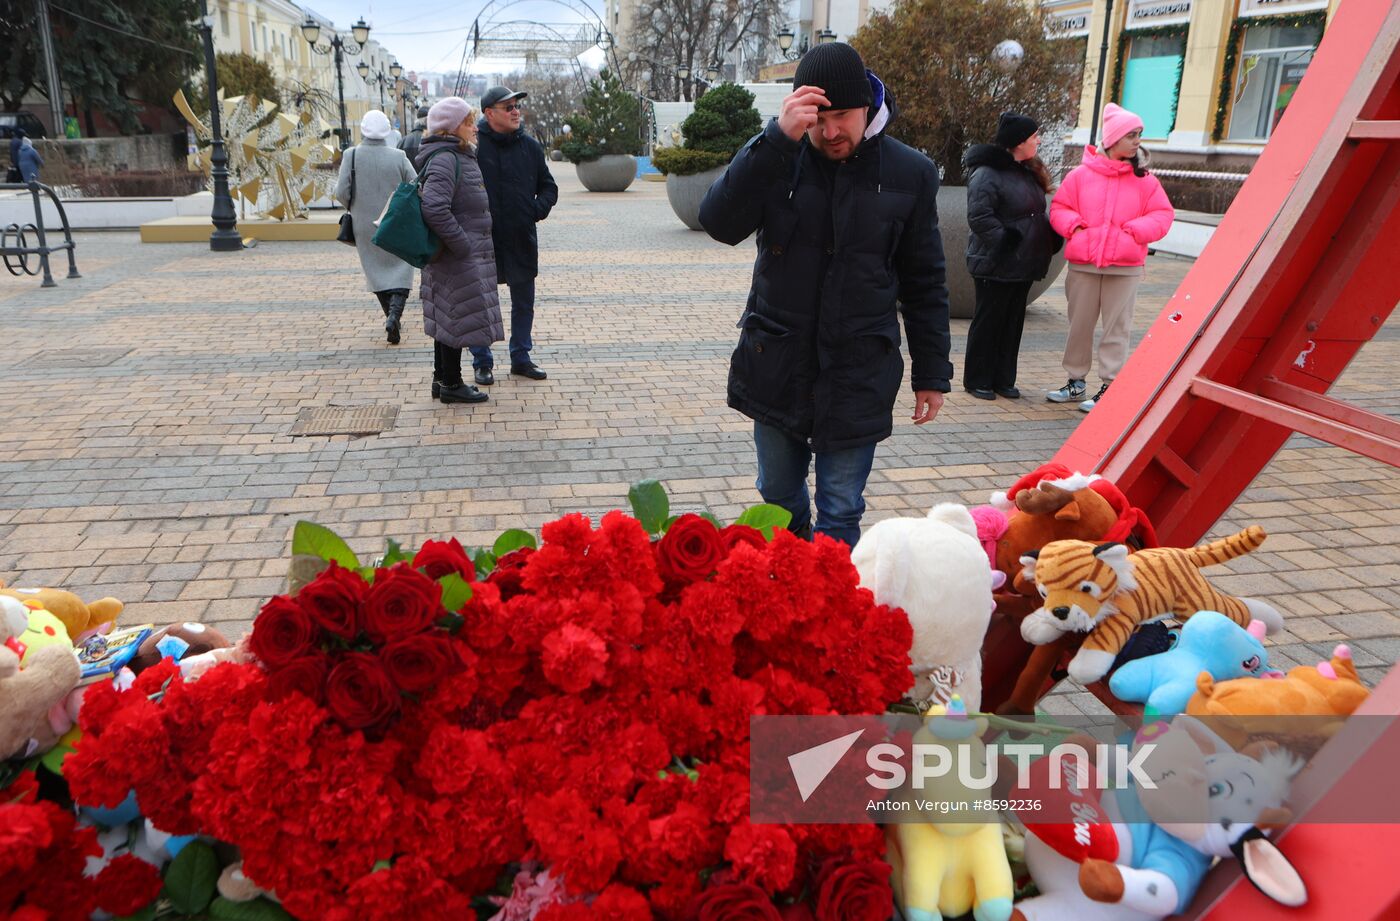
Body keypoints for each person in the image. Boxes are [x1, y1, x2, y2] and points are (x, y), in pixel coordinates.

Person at [699, 42, 952, 549]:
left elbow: (925, 279)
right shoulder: (777, 158)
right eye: (818, 118)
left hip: (858, 366)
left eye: (842, 116)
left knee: (840, 505)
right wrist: (774, 140)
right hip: (777, 359)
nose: (831, 131)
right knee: (776, 495)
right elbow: (718, 223)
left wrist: (932, 374)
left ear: (868, 107)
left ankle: (827, 607)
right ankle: (789, 576)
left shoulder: (911, 173)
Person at [1048, 103, 1174, 412]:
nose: (1137, 141)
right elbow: (1060, 209)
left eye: (1139, 135)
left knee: (1118, 328)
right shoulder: (1079, 176)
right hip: (1084, 265)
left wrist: (1136, 231)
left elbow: (1163, 214)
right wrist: (1074, 227)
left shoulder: (1146, 181)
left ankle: (1109, 386)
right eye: (1131, 135)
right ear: (1112, 139)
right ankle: (1075, 382)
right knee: (1079, 325)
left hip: (1125, 267)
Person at [961, 112, 1061, 400]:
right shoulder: (986, 173)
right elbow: (979, 217)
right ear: (1018, 142)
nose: (1038, 140)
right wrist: (1005, 242)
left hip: (1024, 263)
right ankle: (977, 379)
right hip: (995, 262)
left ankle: (1003, 379)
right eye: (1033, 136)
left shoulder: (1028, 170)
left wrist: (1049, 236)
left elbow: (1033, 212)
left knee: (1012, 323)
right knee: (989, 322)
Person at [469, 85, 558, 385]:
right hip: (483, 240)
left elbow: (549, 187)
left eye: (517, 106)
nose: (516, 111)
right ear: (489, 113)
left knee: (524, 303)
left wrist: (533, 211)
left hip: (520, 238)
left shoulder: (530, 147)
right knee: (481, 302)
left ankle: (521, 357)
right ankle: (482, 361)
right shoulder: (472, 147)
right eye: (508, 107)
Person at [416, 97, 503, 405]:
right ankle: (452, 382)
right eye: (468, 123)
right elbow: (435, 208)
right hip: (456, 255)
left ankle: (442, 379)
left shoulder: (455, 155)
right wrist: (462, 243)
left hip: (454, 254)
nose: (474, 128)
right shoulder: (446, 159)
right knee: (456, 316)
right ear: (450, 128)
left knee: (447, 315)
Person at [334, 110, 417, 344]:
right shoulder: (399, 156)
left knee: (375, 271)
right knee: (402, 265)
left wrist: (356, 205)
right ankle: (394, 315)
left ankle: (391, 317)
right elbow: (415, 184)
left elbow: (341, 192)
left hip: (363, 222)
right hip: (395, 220)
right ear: (387, 130)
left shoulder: (350, 155)